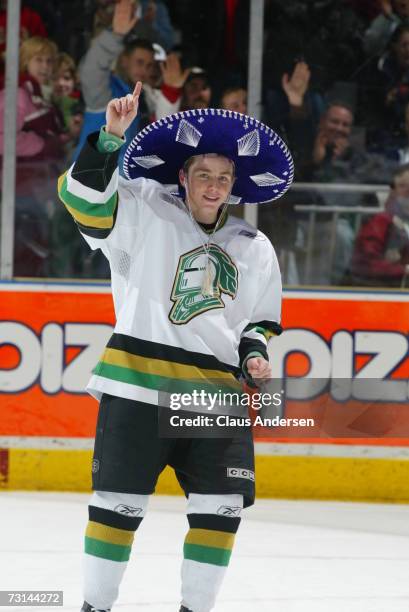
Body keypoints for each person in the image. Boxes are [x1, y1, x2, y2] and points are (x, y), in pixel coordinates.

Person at [57, 81, 293, 611]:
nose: (213, 186)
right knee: (118, 506)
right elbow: (82, 200)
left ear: (234, 186)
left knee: (222, 508)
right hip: (137, 387)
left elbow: (259, 321)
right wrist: (109, 138)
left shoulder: (255, 248)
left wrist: (254, 352)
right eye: (203, 175)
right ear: (182, 177)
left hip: (215, 400)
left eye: (223, 178)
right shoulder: (144, 211)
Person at [76, 0, 187, 164]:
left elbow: (161, 136)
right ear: (124, 61)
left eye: (149, 65)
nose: (144, 70)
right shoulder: (106, 93)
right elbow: (92, 70)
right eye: (140, 62)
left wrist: (170, 93)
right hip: (91, 180)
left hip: (129, 184)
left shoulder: (149, 98)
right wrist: (115, 36)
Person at [351, 163, 409, 286]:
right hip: (383, 289)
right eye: (403, 186)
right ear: (393, 191)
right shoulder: (380, 221)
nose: (408, 193)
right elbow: (366, 264)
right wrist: (403, 270)